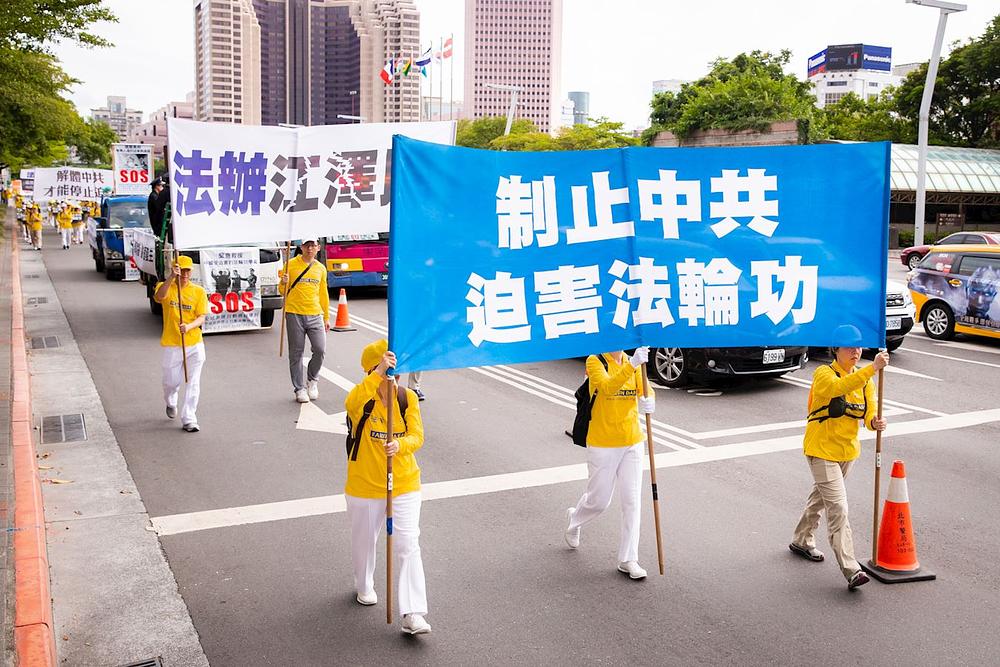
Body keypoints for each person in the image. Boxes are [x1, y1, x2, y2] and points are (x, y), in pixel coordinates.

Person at [789, 324, 888, 590]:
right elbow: (839, 387)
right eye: (849, 347)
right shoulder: (824, 374)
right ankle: (851, 568)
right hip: (821, 450)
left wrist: (874, 422)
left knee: (819, 500)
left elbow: (869, 412)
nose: (855, 351)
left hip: (847, 452)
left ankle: (801, 539)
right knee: (839, 508)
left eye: (858, 346)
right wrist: (873, 368)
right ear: (836, 350)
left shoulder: (866, 381)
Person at [345, 339, 430, 635]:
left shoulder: (406, 398)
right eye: (384, 370)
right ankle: (364, 583)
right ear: (372, 370)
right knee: (365, 542)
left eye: (393, 370)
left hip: (404, 483)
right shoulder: (361, 399)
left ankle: (413, 612)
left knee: (408, 543)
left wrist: (401, 444)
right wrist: (378, 373)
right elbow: (351, 403)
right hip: (365, 486)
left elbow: (418, 436)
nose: (390, 377)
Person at [564, 346, 654, 580]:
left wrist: (648, 400)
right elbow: (606, 387)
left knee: (632, 502)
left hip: (632, 440)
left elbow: (646, 389)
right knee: (599, 501)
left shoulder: (633, 361)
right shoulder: (595, 361)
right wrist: (632, 365)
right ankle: (575, 519)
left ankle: (628, 559)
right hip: (603, 443)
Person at [154, 255, 208, 433]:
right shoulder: (166, 287)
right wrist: (171, 278)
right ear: (174, 269)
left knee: (193, 382)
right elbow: (159, 297)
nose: (184, 274)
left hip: (194, 343)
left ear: (191, 271)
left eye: (187, 270)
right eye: (180, 270)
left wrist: (190, 326)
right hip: (173, 343)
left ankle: (189, 418)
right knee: (171, 381)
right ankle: (171, 400)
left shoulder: (198, 291)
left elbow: (202, 317)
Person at [279, 238, 329, 403]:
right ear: (301, 247)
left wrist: (326, 316)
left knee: (320, 349)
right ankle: (299, 388)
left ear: (318, 248)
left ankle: (312, 380)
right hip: (294, 313)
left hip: (315, 314)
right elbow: (281, 290)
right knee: (296, 353)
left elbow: (323, 294)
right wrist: (283, 282)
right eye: (307, 246)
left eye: (313, 246)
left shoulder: (321, 268)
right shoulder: (290, 264)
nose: (310, 249)